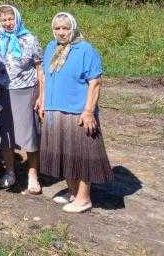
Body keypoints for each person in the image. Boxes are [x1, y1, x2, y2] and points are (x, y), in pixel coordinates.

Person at [40, 12, 112, 214]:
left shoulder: (85, 49)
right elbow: (45, 75)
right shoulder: (50, 48)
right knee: (65, 154)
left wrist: (88, 111)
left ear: (73, 28)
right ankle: (73, 192)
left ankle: (83, 198)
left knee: (81, 156)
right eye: (57, 28)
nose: (61, 32)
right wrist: (42, 101)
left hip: (77, 112)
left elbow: (95, 82)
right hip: (55, 109)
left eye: (65, 28)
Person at [0, 4, 44, 194]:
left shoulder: (30, 39)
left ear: (17, 18)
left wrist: (42, 96)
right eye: (4, 20)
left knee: (29, 134)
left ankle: (33, 175)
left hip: (26, 91)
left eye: (11, 19)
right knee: (7, 134)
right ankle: (10, 172)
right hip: (3, 92)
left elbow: (40, 68)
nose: (8, 23)